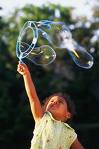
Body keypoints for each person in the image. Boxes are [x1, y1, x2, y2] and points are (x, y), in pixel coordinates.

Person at [17, 62, 85, 149]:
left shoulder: (70, 133)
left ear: (68, 114)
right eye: (51, 101)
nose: (54, 102)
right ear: (45, 109)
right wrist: (26, 74)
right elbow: (33, 97)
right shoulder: (42, 118)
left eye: (60, 101)